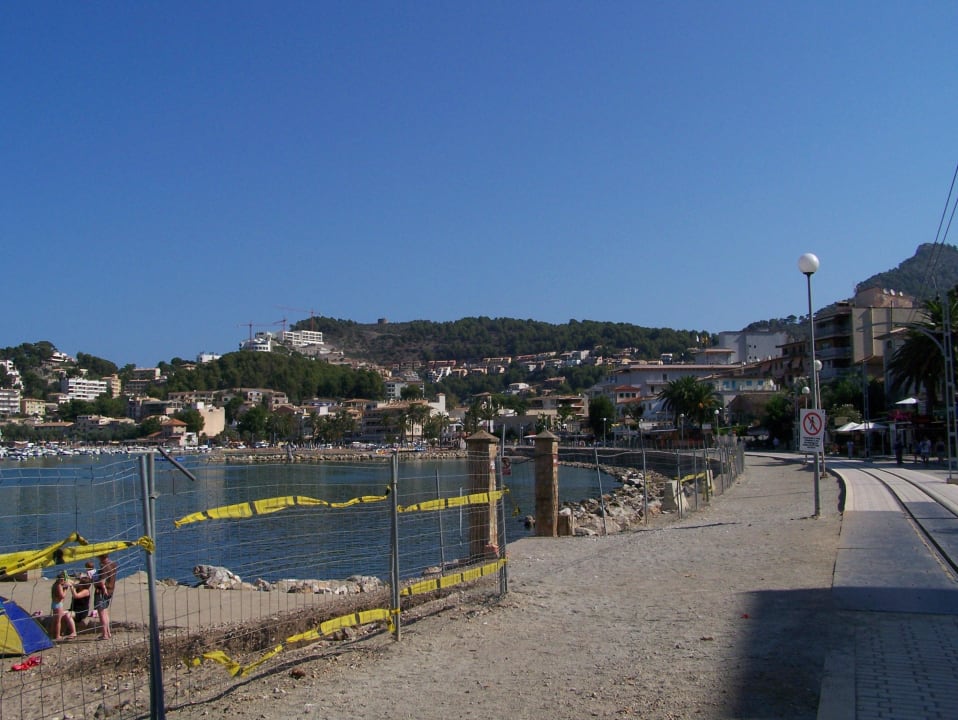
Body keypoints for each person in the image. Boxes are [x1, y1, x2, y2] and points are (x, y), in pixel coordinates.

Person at [94, 553, 118, 640]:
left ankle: (105, 634)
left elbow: (101, 582)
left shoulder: (104, 567)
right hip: (111, 589)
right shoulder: (114, 564)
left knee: (101, 613)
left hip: (102, 592)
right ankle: (108, 632)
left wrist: (93, 580)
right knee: (105, 611)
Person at [50, 572, 76, 641]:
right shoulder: (58, 586)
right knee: (58, 621)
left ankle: (52, 634)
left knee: (55, 621)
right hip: (58, 605)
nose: (63, 581)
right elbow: (62, 596)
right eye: (62, 580)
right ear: (59, 579)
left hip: (55, 603)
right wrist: (65, 589)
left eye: (63, 580)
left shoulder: (55, 584)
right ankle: (57, 636)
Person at [69, 562, 95, 631]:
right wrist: (66, 579)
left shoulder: (86, 591)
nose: (79, 583)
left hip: (80, 612)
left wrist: (71, 587)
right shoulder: (79, 587)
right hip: (74, 609)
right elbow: (73, 583)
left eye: (80, 583)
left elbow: (76, 596)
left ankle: (73, 632)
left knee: (67, 615)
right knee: (61, 614)